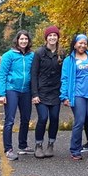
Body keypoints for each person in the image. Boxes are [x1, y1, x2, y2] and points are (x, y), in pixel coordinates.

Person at [60, 34, 88, 160]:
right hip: (77, 95)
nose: (82, 45)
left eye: (84, 43)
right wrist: (64, 96)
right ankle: (75, 150)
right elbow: (64, 79)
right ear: (74, 44)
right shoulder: (69, 60)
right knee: (79, 122)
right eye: (80, 43)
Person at [0, 30, 34, 161]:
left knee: (25, 118)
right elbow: (2, 75)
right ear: (17, 40)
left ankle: (23, 145)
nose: (23, 41)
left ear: (28, 41)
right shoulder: (9, 55)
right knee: (10, 120)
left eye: (26, 39)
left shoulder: (32, 56)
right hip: (12, 89)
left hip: (26, 91)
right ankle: (8, 149)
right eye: (21, 39)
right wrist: (2, 94)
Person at [30, 25, 63, 158]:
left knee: (54, 118)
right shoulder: (39, 53)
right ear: (46, 38)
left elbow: (65, 73)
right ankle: (38, 145)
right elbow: (34, 74)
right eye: (50, 35)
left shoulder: (61, 53)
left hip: (56, 91)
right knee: (43, 118)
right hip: (42, 91)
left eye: (55, 35)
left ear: (58, 37)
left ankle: (51, 144)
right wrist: (35, 94)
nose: (52, 37)